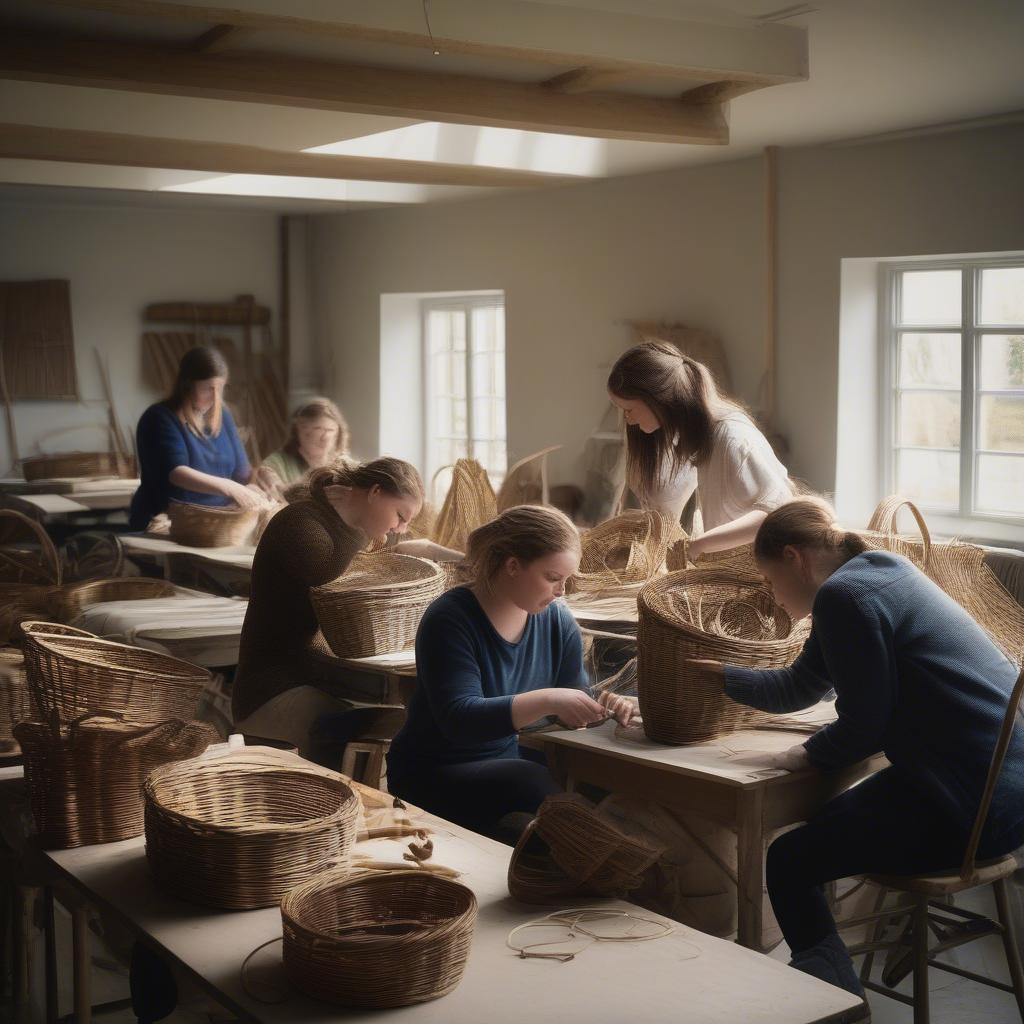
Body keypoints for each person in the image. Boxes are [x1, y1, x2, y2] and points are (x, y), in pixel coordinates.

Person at [697, 498, 1024, 995]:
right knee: (822, 830)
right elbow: (800, 686)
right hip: (1000, 788)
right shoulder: (878, 571)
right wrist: (722, 676)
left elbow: (864, 726)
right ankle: (831, 976)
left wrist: (802, 755)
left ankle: (836, 1002)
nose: (771, 594)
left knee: (789, 860)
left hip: (974, 807)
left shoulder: (844, 598)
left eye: (769, 580)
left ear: (794, 557)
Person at [387, 505, 632, 842]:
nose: (561, 591)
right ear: (513, 566)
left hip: (500, 763)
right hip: (433, 770)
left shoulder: (556, 619)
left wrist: (604, 706)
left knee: (586, 785)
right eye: (552, 578)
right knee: (529, 780)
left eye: (566, 579)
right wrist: (549, 699)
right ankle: (615, 861)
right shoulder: (450, 618)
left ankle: (615, 864)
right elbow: (459, 720)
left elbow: (573, 696)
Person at [231, 456, 424, 757]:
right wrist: (361, 530)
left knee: (402, 716)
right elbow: (322, 571)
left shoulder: (348, 525)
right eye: (401, 515)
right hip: (270, 690)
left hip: (309, 675)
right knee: (384, 726)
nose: (400, 528)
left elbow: (396, 548)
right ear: (374, 493)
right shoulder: (301, 522)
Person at [607, 341, 791, 554]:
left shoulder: (733, 437)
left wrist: (701, 544)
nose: (628, 420)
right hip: (723, 567)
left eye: (629, 409)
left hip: (754, 572)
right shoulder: (692, 435)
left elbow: (779, 513)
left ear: (657, 400)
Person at [129, 346, 261, 531]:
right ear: (187, 385)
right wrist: (229, 487)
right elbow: (176, 473)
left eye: (220, 388)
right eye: (208, 389)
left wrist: (257, 481)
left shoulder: (223, 415)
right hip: (168, 523)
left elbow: (242, 472)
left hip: (215, 524)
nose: (216, 398)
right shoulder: (159, 418)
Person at [256, 397, 351, 493]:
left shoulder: (343, 465)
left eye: (331, 430)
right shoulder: (274, 463)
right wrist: (315, 473)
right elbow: (278, 497)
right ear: (299, 430)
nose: (326, 437)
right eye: (318, 429)